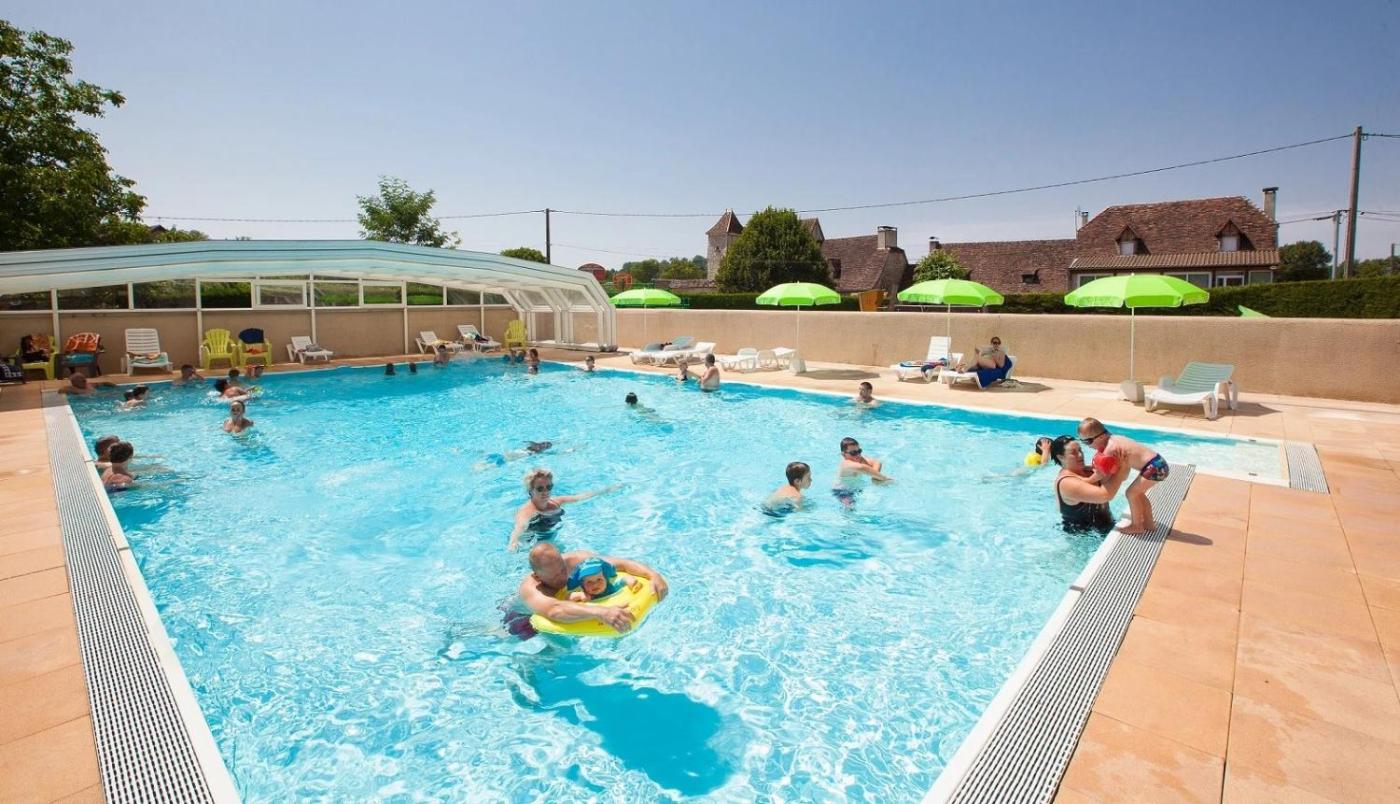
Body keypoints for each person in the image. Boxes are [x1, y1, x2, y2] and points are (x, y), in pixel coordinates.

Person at [506, 543, 669, 639]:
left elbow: (621, 564)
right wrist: (602, 612)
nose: (563, 578)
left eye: (562, 570)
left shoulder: (575, 561)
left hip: (566, 604)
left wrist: (653, 575)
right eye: (555, 576)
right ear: (537, 576)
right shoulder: (530, 588)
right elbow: (554, 610)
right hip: (522, 617)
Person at [1078, 417, 1169, 535]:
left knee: (1131, 493)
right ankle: (1149, 523)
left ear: (1100, 437)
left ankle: (1137, 526)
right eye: (1082, 441)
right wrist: (1092, 468)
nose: (1086, 445)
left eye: (1087, 441)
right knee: (1138, 494)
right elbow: (1116, 471)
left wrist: (1086, 481)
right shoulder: (1114, 439)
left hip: (1154, 468)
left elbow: (1101, 474)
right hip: (1159, 463)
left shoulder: (1111, 449)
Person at [507, 467, 620, 551]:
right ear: (530, 491)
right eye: (540, 488)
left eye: (549, 487)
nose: (546, 492)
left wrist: (606, 490)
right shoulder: (526, 512)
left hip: (549, 538)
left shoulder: (556, 502)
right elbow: (519, 528)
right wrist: (513, 543)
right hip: (532, 544)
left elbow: (579, 498)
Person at [1049, 435, 1126, 534]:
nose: (1080, 455)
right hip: (1082, 536)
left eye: (1080, 450)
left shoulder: (1089, 471)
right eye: (1073, 452)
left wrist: (1121, 461)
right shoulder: (1066, 483)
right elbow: (1105, 496)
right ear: (1061, 457)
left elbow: (1120, 478)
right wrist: (1123, 467)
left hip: (1104, 527)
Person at [833, 436, 891, 506]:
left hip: (856, 487)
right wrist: (883, 478)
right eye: (853, 453)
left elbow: (876, 462)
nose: (858, 455)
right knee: (850, 508)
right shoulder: (845, 464)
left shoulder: (858, 459)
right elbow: (861, 468)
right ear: (843, 454)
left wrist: (874, 478)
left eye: (859, 451)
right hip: (843, 490)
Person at [566, 557, 638, 602]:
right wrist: (578, 595)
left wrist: (628, 579)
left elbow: (621, 582)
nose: (595, 584)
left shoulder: (611, 588)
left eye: (599, 579)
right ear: (582, 585)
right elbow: (566, 600)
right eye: (589, 582)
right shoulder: (585, 594)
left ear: (606, 578)